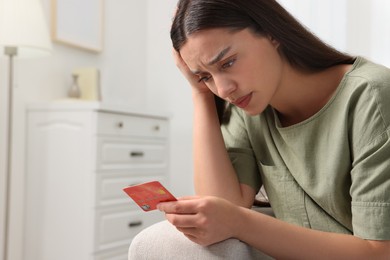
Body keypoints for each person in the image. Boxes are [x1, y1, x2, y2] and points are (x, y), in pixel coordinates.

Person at [129, 0, 390, 259]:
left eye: (228, 63)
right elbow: (223, 208)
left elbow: (379, 252)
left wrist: (239, 222)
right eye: (206, 76)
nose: (223, 89)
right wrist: (200, 94)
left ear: (272, 33)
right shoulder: (248, 106)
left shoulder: (372, 96)